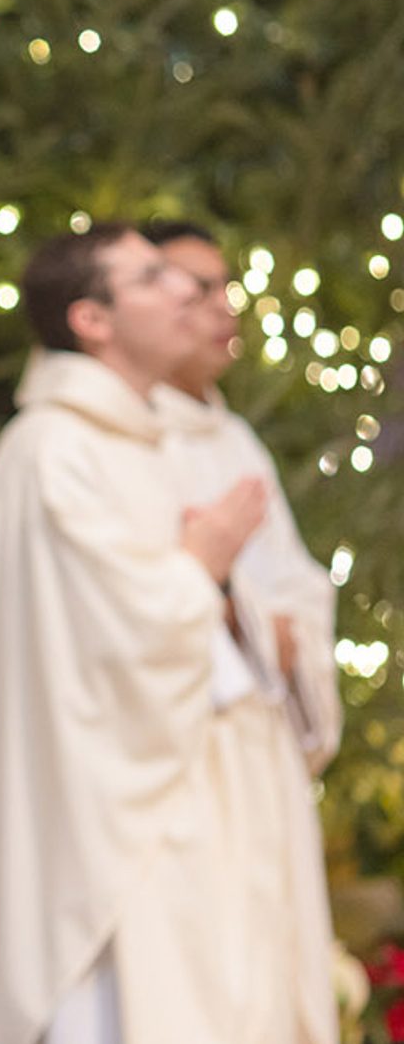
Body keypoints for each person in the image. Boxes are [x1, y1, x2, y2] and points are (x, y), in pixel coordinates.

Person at [0, 222, 345, 1044]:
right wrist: (202, 567)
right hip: (123, 825)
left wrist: (248, 602)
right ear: (91, 318)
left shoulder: (194, 436)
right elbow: (100, 642)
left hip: (229, 801)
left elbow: (282, 597)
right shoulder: (52, 447)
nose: (188, 292)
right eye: (154, 277)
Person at [150, 218, 343, 766]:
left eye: (225, 286)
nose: (223, 306)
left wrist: (287, 639)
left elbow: (299, 581)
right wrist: (250, 624)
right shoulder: (134, 439)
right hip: (194, 740)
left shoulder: (237, 439)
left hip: (268, 730)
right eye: (197, 289)